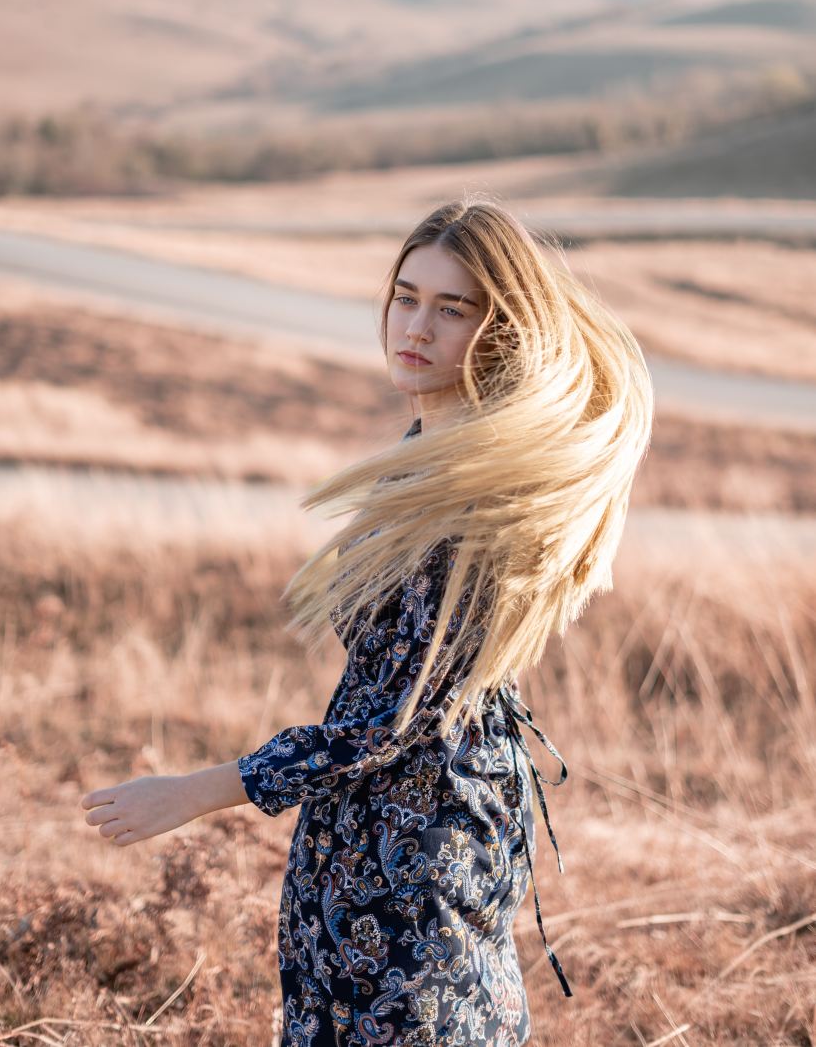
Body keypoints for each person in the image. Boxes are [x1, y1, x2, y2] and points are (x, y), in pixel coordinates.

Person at [81, 197, 654, 1045]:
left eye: (451, 308)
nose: (414, 325)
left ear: (502, 328)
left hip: (421, 857)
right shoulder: (421, 466)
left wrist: (198, 791)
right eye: (405, 295)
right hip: (372, 839)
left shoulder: (473, 501)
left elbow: (397, 721)